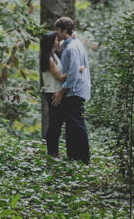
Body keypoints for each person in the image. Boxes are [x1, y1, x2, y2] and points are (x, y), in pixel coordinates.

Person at [51, 16, 91, 164]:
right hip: (76, 89)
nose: (56, 33)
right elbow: (63, 43)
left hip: (75, 90)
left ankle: (84, 158)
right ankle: (74, 157)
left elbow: (73, 72)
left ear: (62, 30)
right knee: (72, 124)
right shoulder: (73, 42)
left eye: (57, 30)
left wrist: (61, 91)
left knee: (77, 124)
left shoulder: (72, 47)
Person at [39, 32, 66, 157]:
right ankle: (52, 152)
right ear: (51, 43)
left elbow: (62, 43)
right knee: (55, 124)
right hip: (53, 94)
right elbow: (60, 78)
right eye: (56, 39)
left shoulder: (53, 55)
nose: (58, 40)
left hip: (53, 92)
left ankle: (53, 151)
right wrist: (76, 69)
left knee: (56, 123)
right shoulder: (49, 58)